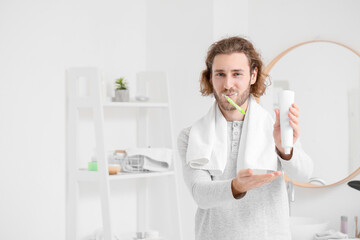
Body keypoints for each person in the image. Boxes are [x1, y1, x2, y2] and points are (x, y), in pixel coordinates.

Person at [177, 36, 313, 240]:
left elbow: (304, 174)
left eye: (237, 74)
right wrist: (237, 186)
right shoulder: (191, 136)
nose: (228, 84)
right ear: (210, 78)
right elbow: (200, 195)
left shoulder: (274, 127)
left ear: (252, 76)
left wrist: (285, 148)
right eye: (220, 74)